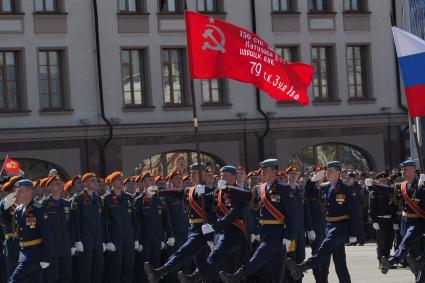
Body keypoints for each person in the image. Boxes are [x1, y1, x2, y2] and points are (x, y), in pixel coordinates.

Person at [219, 159, 296, 283]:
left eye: (265, 170)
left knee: (258, 257)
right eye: (262, 171)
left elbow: (292, 216)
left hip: (277, 234)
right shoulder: (260, 189)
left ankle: (236, 276)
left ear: (274, 172)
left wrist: (289, 236)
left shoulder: (284, 190)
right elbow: (245, 195)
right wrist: (228, 189)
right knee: (277, 272)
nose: (262, 173)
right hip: (265, 232)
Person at [287, 161, 359, 283]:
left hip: (340, 227)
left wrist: (353, 233)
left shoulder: (346, 189)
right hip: (329, 226)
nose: (327, 173)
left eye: (330, 170)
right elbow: (308, 195)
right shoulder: (324, 187)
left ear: (338, 172)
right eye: (327, 170)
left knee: (323, 250)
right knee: (340, 263)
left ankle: (301, 267)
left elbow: (354, 212)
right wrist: (312, 181)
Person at [144, 163, 216, 283]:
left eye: (194, 173)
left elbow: (214, 209)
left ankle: (160, 272)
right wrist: (158, 192)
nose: (191, 176)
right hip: (193, 228)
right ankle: (193, 278)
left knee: (183, 252)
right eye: (191, 173)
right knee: (203, 264)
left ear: (202, 174)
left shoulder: (212, 191)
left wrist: (205, 193)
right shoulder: (191, 190)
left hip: (203, 230)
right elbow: (177, 193)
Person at [178, 165, 249, 283]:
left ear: (233, 177)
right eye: (221, 176)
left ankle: (194, 277)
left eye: (225, 176)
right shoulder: (218, 192)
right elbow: (206, 203)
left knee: (233, 267)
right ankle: (195, 277)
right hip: (222, 235)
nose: (222, 178)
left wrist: (213, 227)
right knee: (221, 265)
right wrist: (199, 194)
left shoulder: (238, 193)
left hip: (236, 235)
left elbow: (230, 217)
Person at [380, 160, 425, 277]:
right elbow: (389, 190)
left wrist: (422, 189)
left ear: (413, 170)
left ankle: (392, 261)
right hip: (405, 222)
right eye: (402, 170)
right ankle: (419, 269)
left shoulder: (421, 184)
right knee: (415, 255)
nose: (402, 172)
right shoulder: (403, 185)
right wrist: (372, 187)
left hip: (418, 222)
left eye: (405, 169)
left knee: (405, 243)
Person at [9, 179, 53, 283]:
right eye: (16, 191)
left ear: (29, 192)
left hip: (34, 254)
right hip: (23, 253)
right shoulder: (19, 210)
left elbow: (47, 234)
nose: (16, 194)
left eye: (20, 191)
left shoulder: (39, 208)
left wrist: (46, 257)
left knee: (14, 280)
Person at [102, 171, 138, 283]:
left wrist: (136, 238)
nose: (121, 181)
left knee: (128, 268)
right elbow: (104, 222)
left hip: (129, 238)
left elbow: (134, 220)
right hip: (115, 239)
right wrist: (107, 240)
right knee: (115, 269)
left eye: (122, 179)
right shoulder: (105, 199)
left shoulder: (128, 197)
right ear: (112, 182)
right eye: (118, 179)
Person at [71, 172, 105, 283]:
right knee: (85, 270)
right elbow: (75, 222)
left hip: (97, 239)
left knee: (98, 269)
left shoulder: (98, 199)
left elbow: (102, 221)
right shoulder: (78, 199)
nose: (96, 182)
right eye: (92, 180)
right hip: (85, 240)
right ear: (85, 183)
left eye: (96, 180)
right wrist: (77, 240)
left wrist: (104, 240)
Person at [41, 175, 73, 283]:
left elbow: (71, 226)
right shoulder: (43, 204)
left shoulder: (67, 204)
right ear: (49, 187)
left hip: (65, 245)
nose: (59, 185)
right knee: (52, 277)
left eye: (60, 182)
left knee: (67, 275)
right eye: (55, 183)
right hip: (51, 246)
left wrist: (72, 243)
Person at [366, 172, 397, 266]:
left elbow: (394, 207)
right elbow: (371, 208)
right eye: (381, 180)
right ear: (378, 181)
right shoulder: (374, 192)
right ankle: (381, 261)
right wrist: (374, 221)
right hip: (380, 220)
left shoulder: (391, 191)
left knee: (389, 240)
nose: (383, 182)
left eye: (385, 180)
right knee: (381, 242)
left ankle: (386, 260)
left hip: (390, 219)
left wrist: (395, 221)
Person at [304, 166, 328, 283]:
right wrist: (310, 228)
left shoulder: (325, 188)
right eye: (317, 174)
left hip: (326, 227)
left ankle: (325, 277)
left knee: (327, 254)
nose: (320, 176)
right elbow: (307, 210)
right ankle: (318, 278)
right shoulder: (309, 188)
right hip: (316, 228)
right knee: (317, 253)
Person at [0, 176, 21, 279]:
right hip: (13, 245)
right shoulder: (6, 201)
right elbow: (5, 219)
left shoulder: (26, 200)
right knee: (13, 277)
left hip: (27, 245)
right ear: (14, 187)